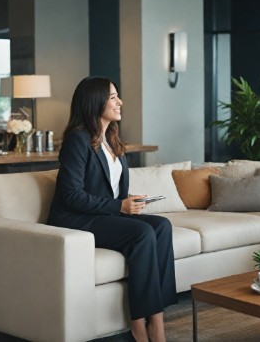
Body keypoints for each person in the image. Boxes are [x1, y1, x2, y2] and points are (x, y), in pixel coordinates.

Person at [48, 76, 176, 342]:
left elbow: (105, 188)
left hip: (102, 213)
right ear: (95, 102)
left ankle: (157, 323)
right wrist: (120, 206)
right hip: (76, 219)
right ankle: (139, 326)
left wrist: (129, 200)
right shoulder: (77, 140)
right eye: (113, 97)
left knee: (162, 226)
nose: (120, 102)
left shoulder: (111, 139)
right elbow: (71, 195)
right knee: (141, 233)